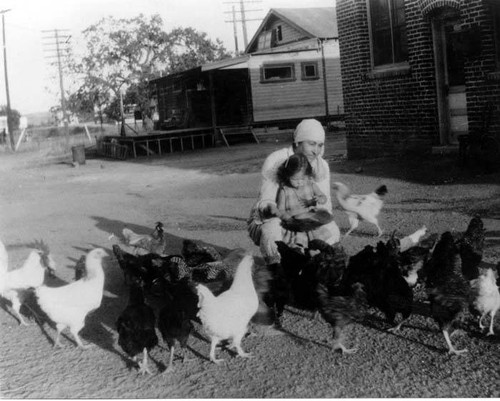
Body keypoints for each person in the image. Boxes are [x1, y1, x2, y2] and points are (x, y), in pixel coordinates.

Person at [247, 118, 340, 265]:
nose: (316, 150)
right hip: (275, 216)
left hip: (304, 216)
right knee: (272, 231)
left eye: (320, 145)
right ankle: (278, 268)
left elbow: (324, 203)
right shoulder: (276, 160)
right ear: (298, 142)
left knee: (332, 230)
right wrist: (280, 213)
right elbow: (267, 200)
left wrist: (314, 216)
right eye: (311, 144)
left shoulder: (321, 166)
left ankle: (313, 265)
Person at [275, 153, 332, 250]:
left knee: (318, 244)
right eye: (295, 179)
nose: (299, 182)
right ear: (287, 175)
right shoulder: (285, 190)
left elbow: (323, 197)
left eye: (302, 178)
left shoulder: (311, 185)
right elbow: (280, 210)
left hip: (311, 223)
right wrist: (288, 217)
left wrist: (320, 198)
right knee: (299, 246)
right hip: (296, 226)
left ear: (309, 176)